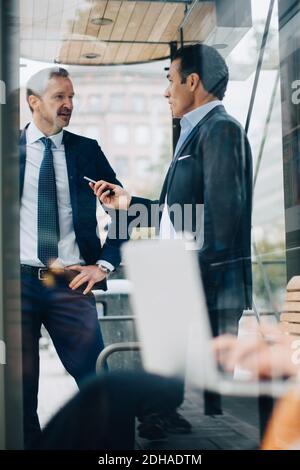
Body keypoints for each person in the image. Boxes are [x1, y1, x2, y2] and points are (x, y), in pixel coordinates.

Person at [91, 43, 253, 432]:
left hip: (204, 286)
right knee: (163, 394)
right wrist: (129, 203)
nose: (167, 91)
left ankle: (161, 419)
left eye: (171, 81)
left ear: (192, 82)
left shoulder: (220, 131)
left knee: (188, 389)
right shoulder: (196, 134)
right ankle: (162, 417)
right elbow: (180, 214)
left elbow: (222, 220)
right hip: (191, 282)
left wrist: (189, 284)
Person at [20, 67, 123, 448]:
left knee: (96, 378)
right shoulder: (7, 150)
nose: (68, 105)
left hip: (70, 281)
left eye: (71, 97)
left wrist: (104, 264)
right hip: (17, 285)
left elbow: (125, 209)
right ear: (33, 102)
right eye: (59, 97)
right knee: (19, 390)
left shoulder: (86, 151)